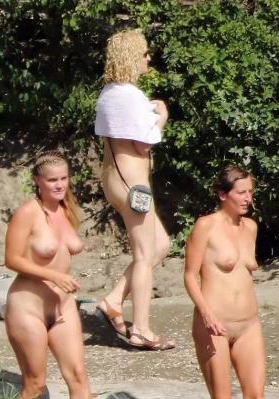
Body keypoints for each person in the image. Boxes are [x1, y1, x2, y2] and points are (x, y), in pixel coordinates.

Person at [4, 151, 94, 399]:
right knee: (35, 383)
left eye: (64, 178)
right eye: (52, 180)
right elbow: (11, 259)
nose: (59, 185)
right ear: (37, 180)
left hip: (63, 307)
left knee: (78, 376)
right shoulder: (28, 212)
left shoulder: (67, 210)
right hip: (28, 307)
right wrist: (53, 276)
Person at [93, 30, 174, 351]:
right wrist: (161, 117)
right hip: (132, 184)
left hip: (116, 181)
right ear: (131, 57)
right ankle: (140, 330)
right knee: (143, 256)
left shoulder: (109, 94)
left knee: (160, 245)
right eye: (143, 53)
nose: (148, 58)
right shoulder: (129, 96)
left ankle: (113, 301)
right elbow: (144, 144)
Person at [183, 165, 265, 399]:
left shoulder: (251, 227)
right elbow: (189, 276)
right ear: (223, 194)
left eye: (250, 192)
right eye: (241, 193)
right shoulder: (205, 226)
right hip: (214, 323)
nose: (247, 198)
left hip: (249, 325)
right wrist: (206, 314)